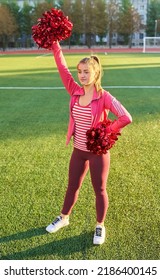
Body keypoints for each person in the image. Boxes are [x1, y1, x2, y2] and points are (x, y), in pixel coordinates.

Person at [46, 41, 132, 245]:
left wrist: (106, 130)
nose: (82, 75)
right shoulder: (74, 91)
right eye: (80, 72)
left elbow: (126, 117)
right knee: (72, 186)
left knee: (99, 189)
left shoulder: (104, 97)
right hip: (78, 150)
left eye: (86, 71)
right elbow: (62, 69)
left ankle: (100, 226)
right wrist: (55, 45)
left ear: (96, 73)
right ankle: (64, 217)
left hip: (97, 153)